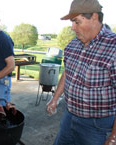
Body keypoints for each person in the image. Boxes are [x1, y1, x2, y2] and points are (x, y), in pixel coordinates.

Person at [46, 0, 116, 145]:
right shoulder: (72, 45)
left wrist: (113, 137)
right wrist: (55, 98)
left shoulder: (113, 48)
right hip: (69, 116)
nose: (72, 27)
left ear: (94, 18)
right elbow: (67, 73)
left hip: (97, 127)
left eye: (77, 22)